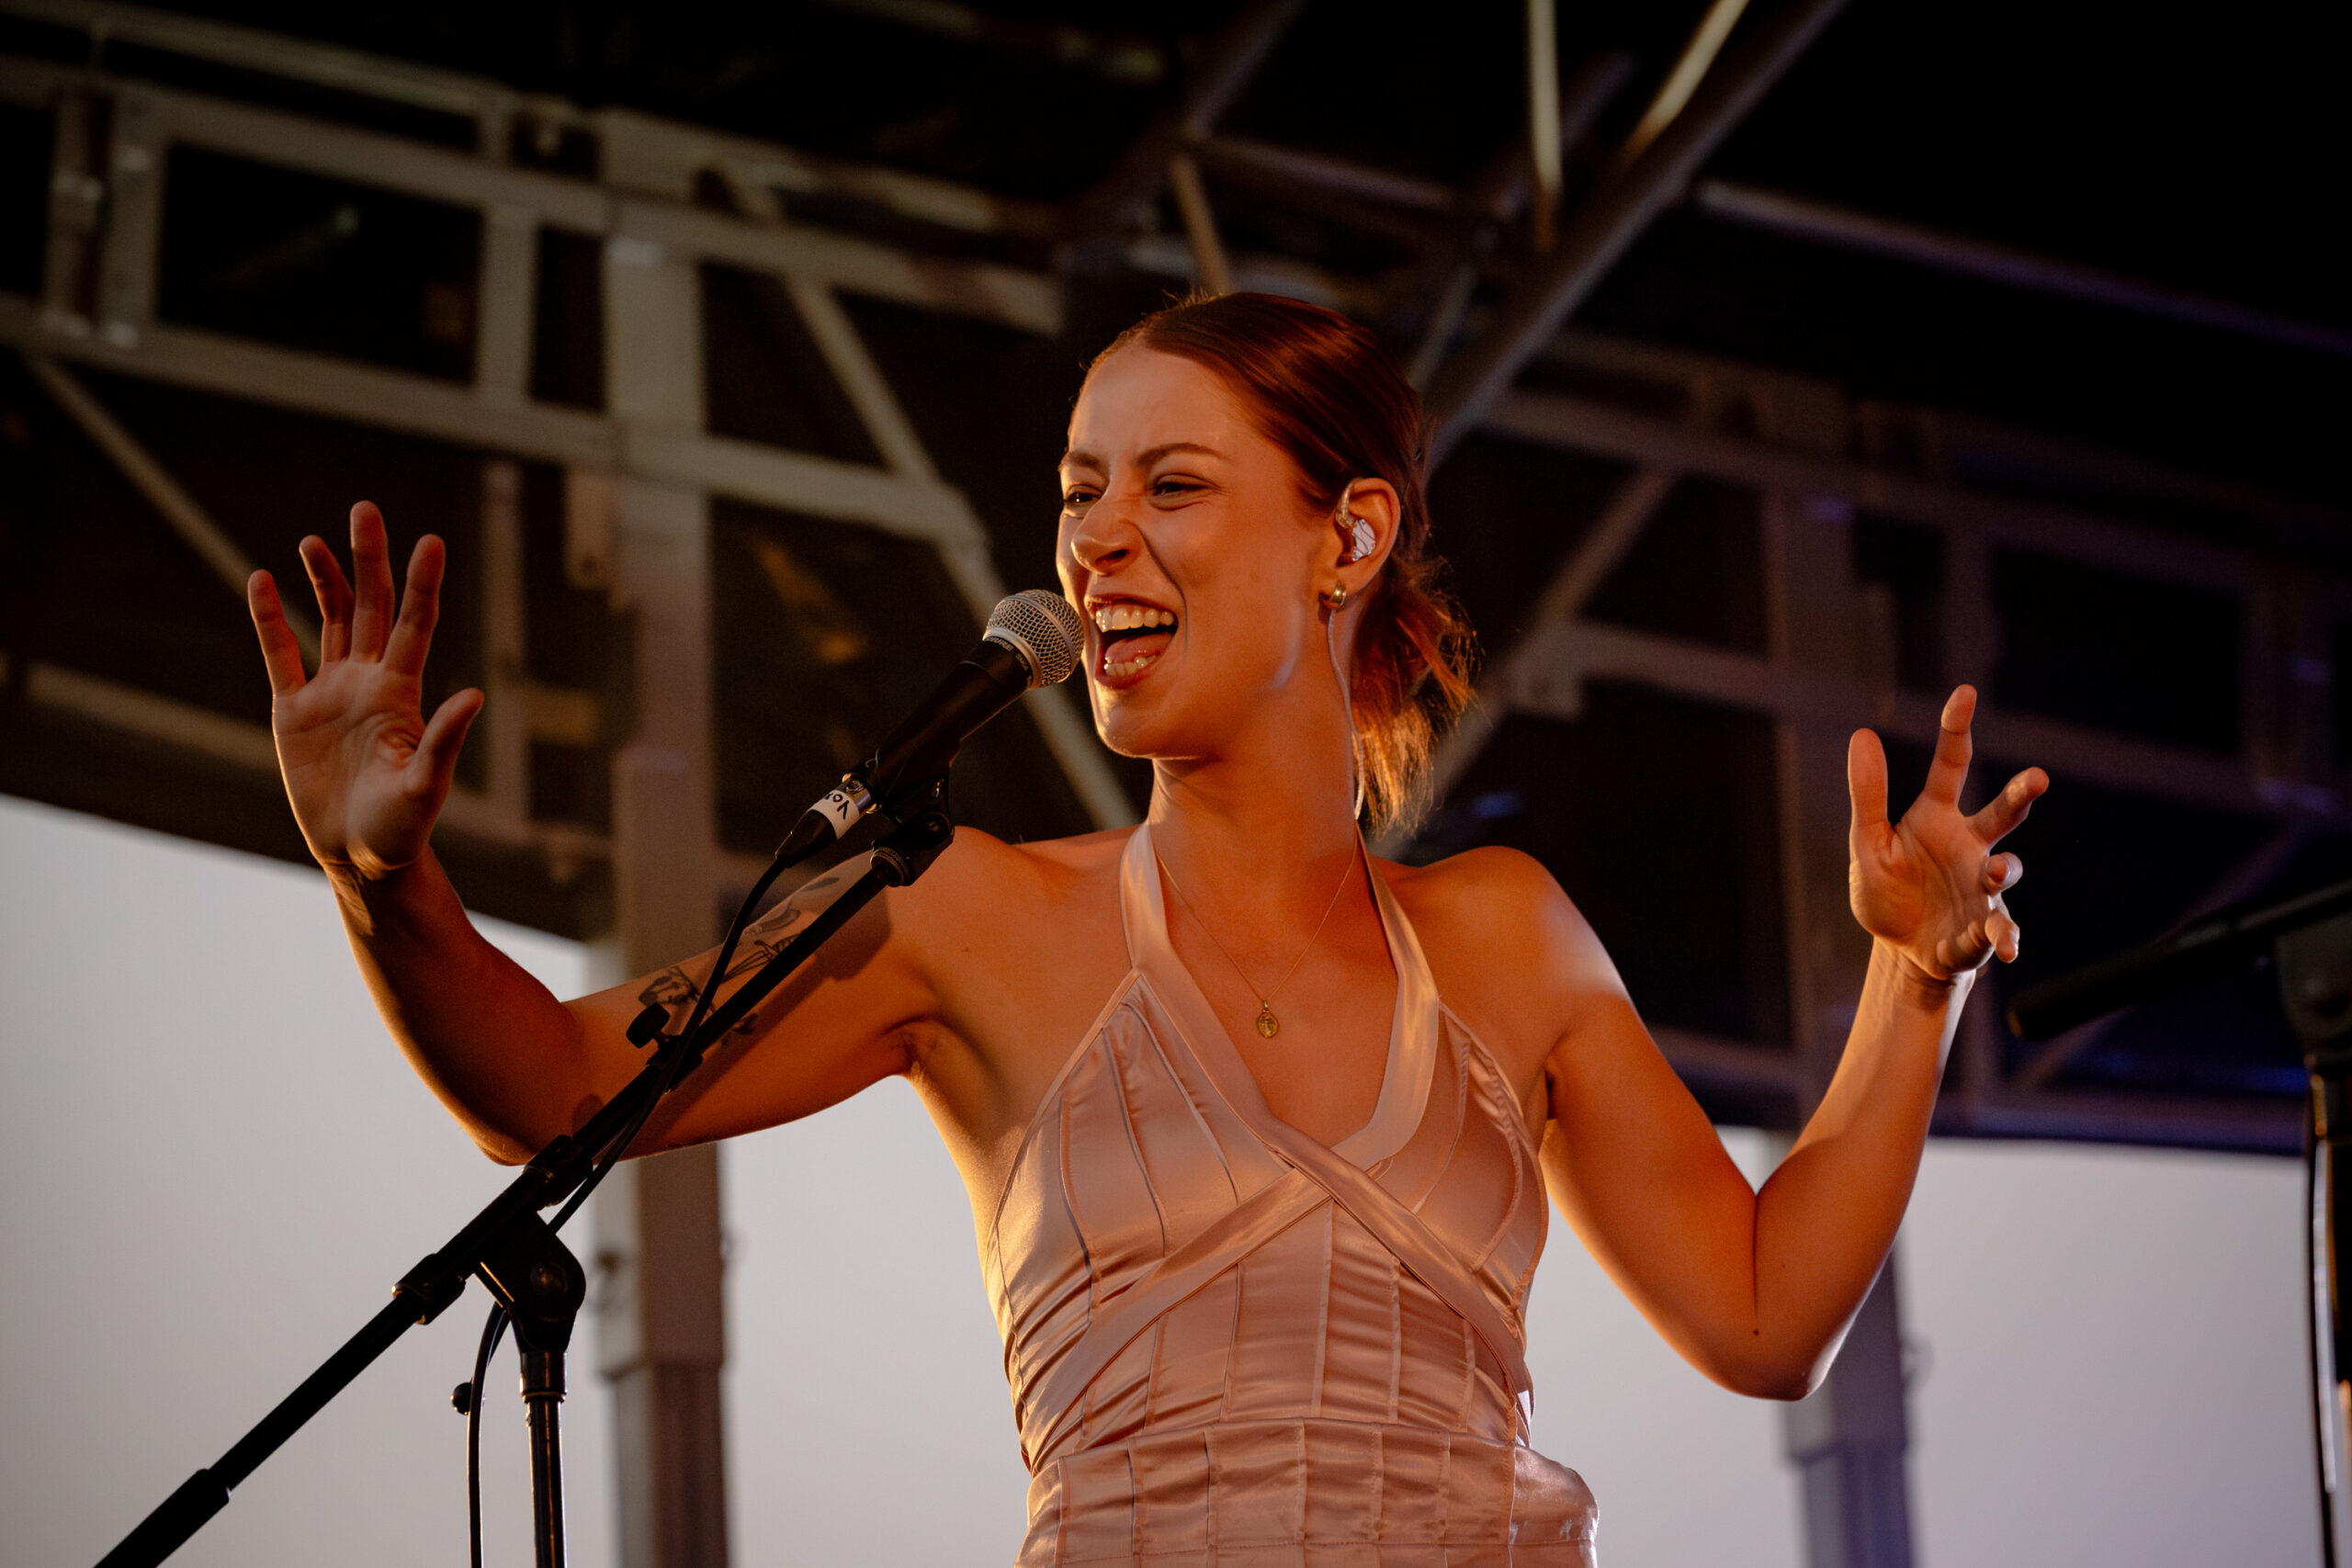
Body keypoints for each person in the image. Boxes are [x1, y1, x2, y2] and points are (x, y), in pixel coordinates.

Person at [247, 292, 2046, 1564]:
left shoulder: (1504, 939)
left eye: (1168, 486)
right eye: (1077, 491)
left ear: (1347, 535)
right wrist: (382, 880)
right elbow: (550, 1087)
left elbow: (1762, 1317)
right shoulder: (967, 913)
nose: (1095, 540)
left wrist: (1912, 974)